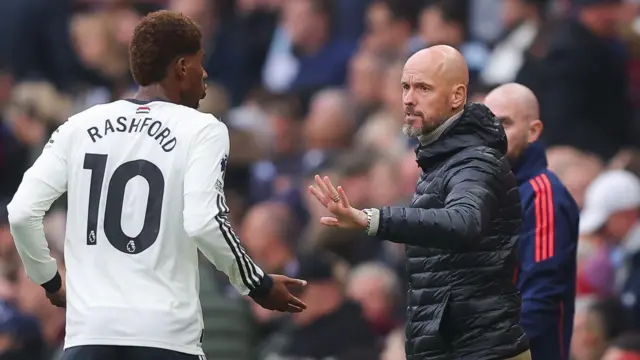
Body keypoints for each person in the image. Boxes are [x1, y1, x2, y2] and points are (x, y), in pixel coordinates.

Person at [6, 10, 306, 360]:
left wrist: (50, 281)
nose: (205, 74)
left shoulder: (79, 125)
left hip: (88, 335)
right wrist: (257, 284)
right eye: (200, 62)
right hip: (164, 337)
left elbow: (22, 212)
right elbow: (204, 222)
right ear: (181, 67)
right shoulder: (201, 129)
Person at [310, 45, 530, 360]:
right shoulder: (443, 161)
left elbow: (464, 223)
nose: (409, 98)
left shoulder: (476, 161)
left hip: (481, 350)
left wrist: (373, 219)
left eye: (423, 88)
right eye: (405, 87)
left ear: (457, 97)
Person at [484, 83, 580, 360]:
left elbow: (541, 296)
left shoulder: (542, 194)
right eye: (487, 123)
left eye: (505, 123)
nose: (493, 134)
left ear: (533, 131)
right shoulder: (482, 192)